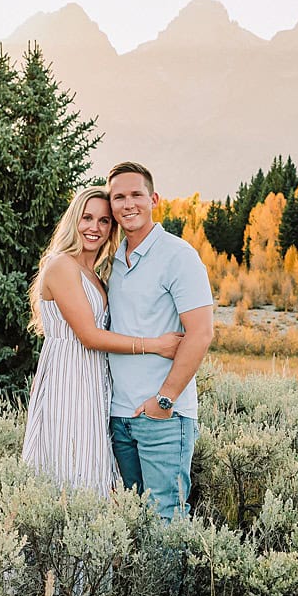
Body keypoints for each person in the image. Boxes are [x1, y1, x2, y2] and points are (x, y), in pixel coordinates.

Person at [21, 186, 183, 495]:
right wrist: (156, 344)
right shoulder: (62, 265)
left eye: (104, 221)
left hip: (93, 381)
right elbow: (90, 336)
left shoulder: (94, 273)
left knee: (93, 467)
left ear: (112, 228)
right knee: (69, 468)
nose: (94, 228)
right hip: (68, 379)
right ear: (73, 221)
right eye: (87, 218)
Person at [104, 161, 215, 519]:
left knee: (166, 520)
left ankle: (169, 581)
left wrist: (164, 400)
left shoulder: (178, 255)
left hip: (163, 417)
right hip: (119, 416)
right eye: (118, 197)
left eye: (136, 194)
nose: (128, 204)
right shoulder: (113, 261)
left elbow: (201, 332)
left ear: (154, 199)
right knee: (133, 522)